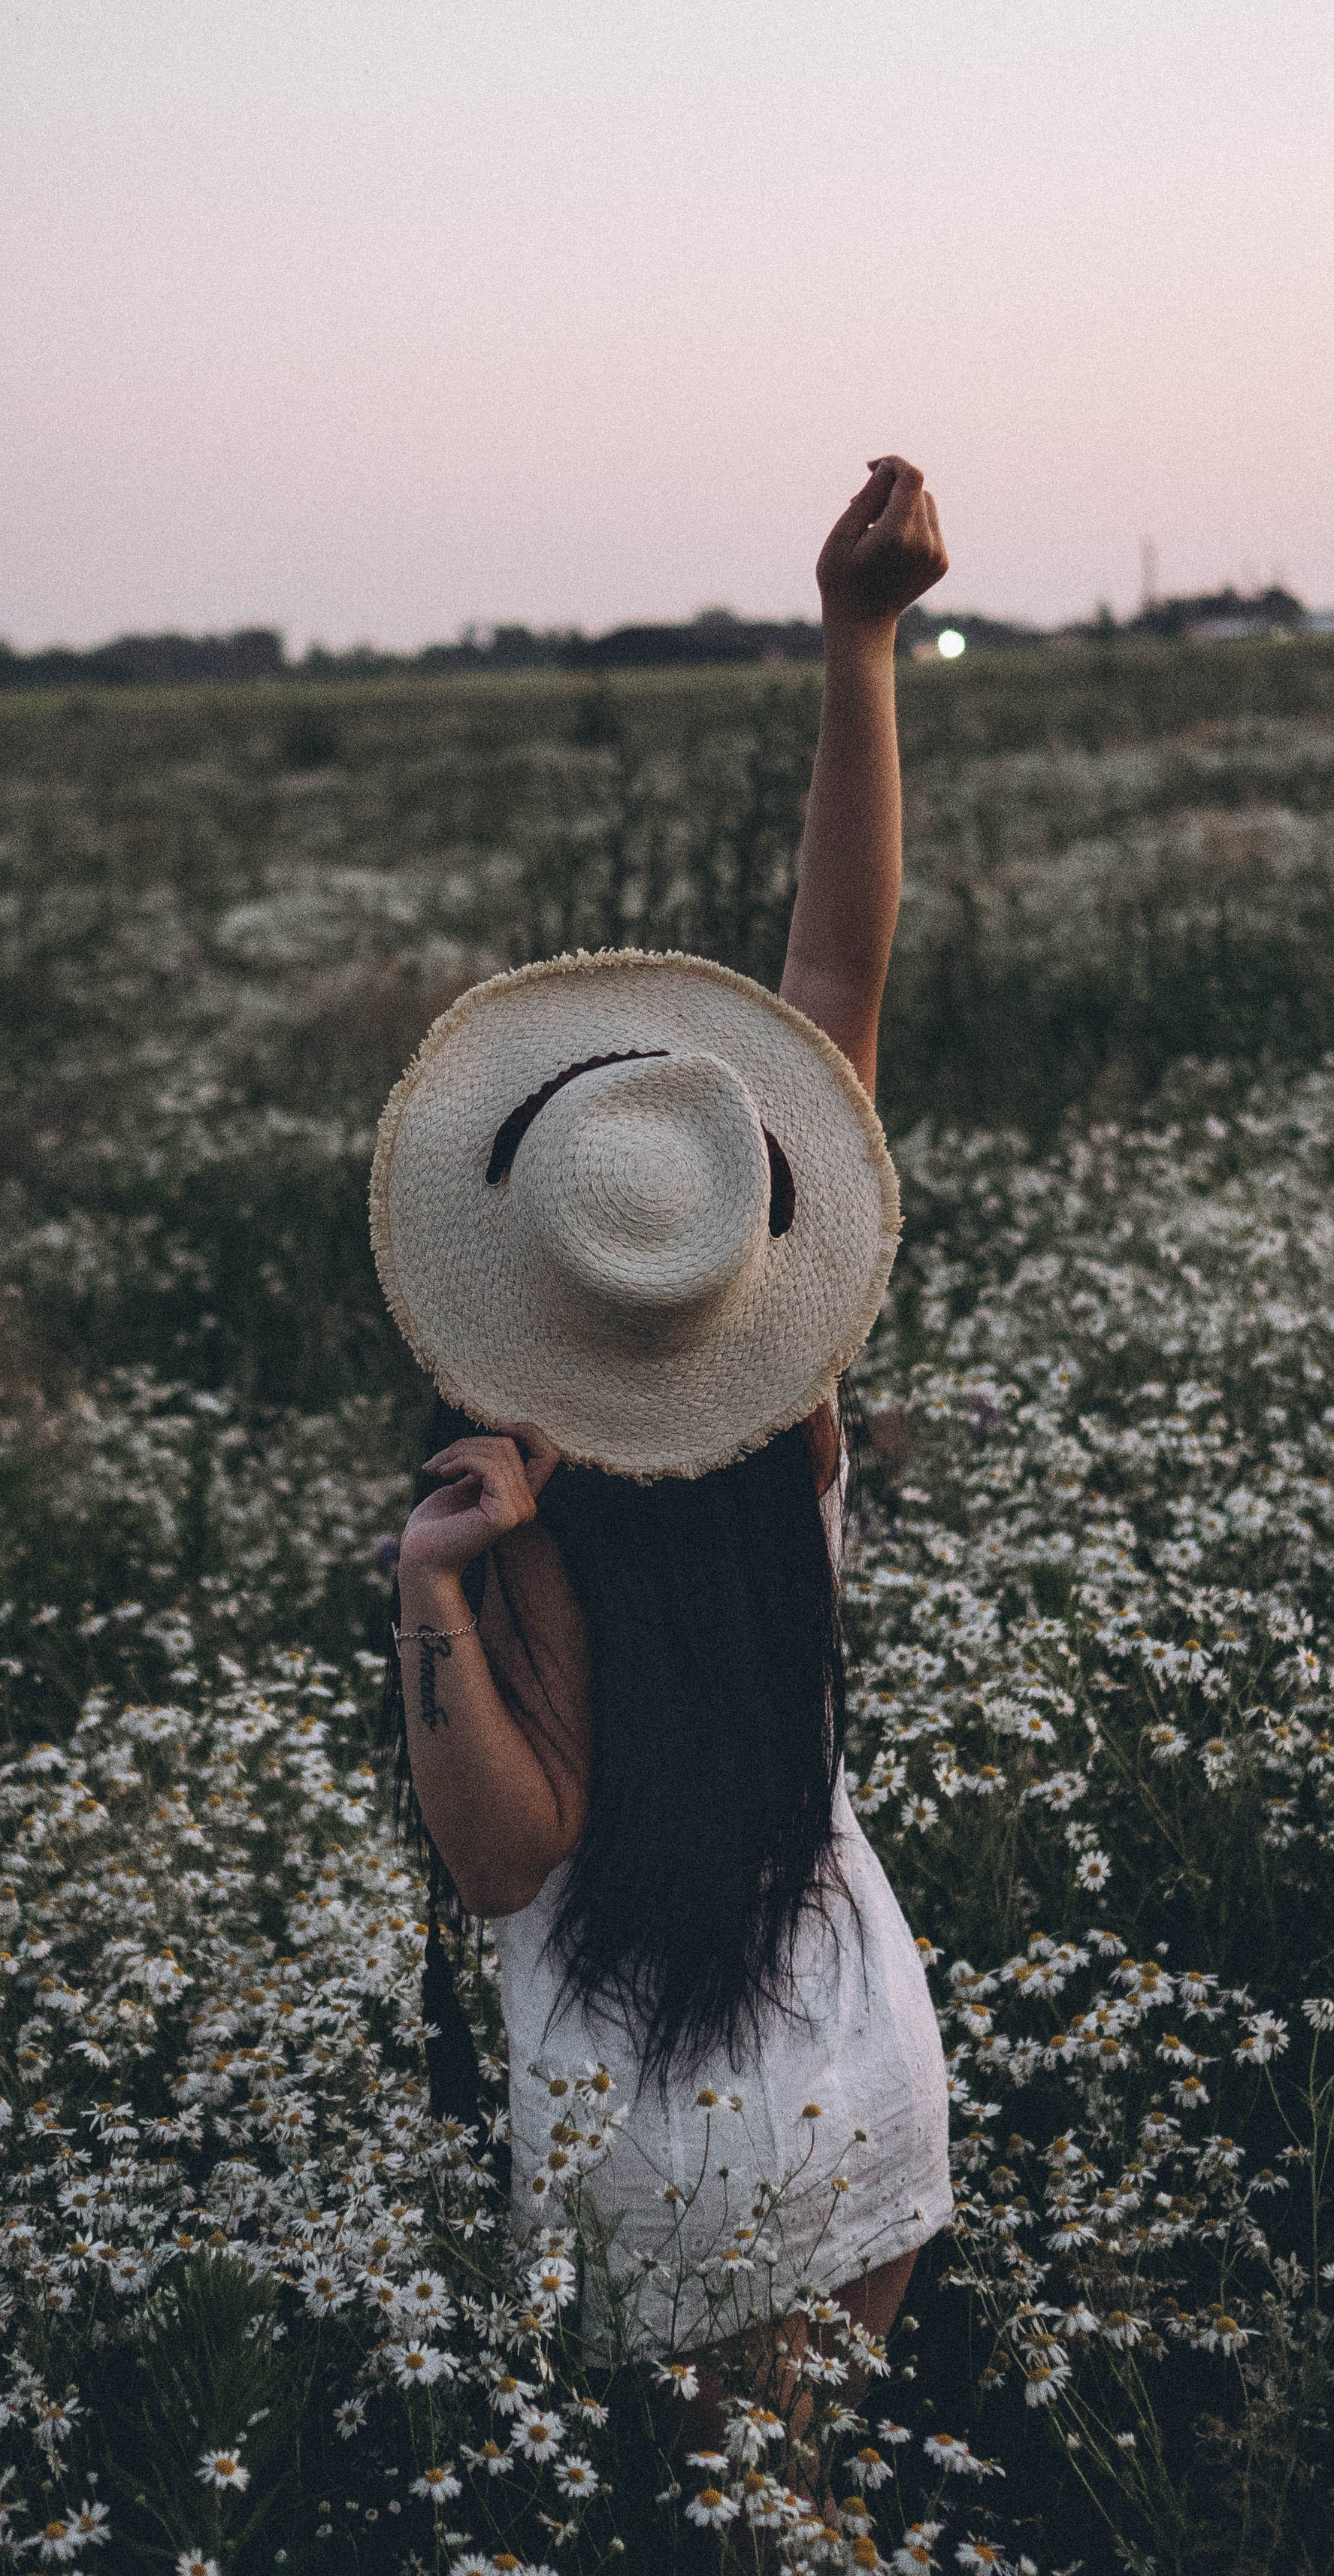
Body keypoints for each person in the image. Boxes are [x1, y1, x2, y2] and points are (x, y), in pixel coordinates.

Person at [370, 456, 952, 2405]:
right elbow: (838, 982)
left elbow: (509, 1860)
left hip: (662, 2143)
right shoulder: (784, 1409)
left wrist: (440, 1591)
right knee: (834, 2523)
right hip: (862, 2089)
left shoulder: (518, 1495)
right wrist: (858, 638)